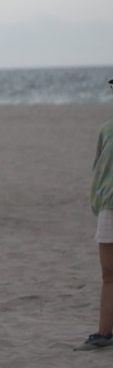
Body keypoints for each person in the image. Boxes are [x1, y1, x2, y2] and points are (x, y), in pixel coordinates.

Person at [76, 78, 113, 351]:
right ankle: (104, 334)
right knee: (109, 275)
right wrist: (98, 203)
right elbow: (98, 170)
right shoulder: (106, 129)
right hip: (109, 208)